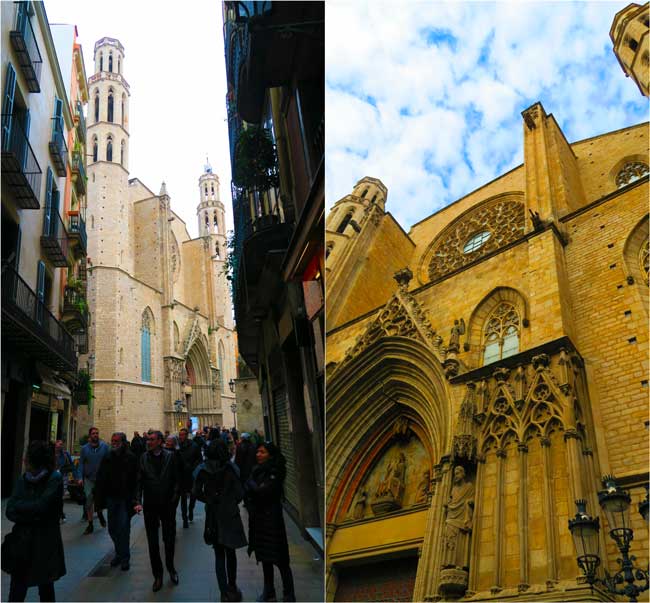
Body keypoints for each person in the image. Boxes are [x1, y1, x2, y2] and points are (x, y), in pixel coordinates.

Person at [3, 441, 66, 602]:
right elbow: (10, 510)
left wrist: (22, 509)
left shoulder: (54, 479)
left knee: (45, 588)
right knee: (17, 590)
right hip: (22, 543)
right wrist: (34, 513)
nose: (24, 460)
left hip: (44, 542)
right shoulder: (23, 479)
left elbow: (43, 506)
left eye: (27, 457)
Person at [193, 439, 247, 602]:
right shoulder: (231, 468)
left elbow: (195, 492)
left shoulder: (202, 469)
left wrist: (209, 500)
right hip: (229, 514)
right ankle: (232, 586)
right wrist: (229, 502)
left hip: (213, 515)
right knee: (231, 553)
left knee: (219, 554)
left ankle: (223, 592)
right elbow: (240, 493)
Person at [244, 442, 296, 602]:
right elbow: (251, 491)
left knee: (280, 559)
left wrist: (251, 484)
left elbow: (263, 491)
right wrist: (253, 487)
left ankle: (289, 593)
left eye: (262, 452)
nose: (258, 454)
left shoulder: (275, 471)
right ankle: (269, 591)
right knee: (265, 558)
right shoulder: (257, 470)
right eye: (257, 452)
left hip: (272, 520)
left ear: (270, 455)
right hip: (259, 520)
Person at [135, 430, 180, 592]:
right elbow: (139, 481)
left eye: (152, 440)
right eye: (148, 440)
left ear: (160, 441)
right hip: (151, 506)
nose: (149, 442)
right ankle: (158, 575)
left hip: (168, 505)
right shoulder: (143, 458)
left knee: (169, 539)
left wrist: (175, 499)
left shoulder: (171, 456)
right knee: (152, 542)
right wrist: (138, 501)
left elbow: (177, 479)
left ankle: (171, 568)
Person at [94, 432, 138, 571]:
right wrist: (99, 499)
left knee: (124, 529)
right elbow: (101, 478)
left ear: (123, 442)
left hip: (125, 500)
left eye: (116, 441)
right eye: (112, 440)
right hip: (111, 498)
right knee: (112, 528)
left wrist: (136, 499)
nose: (113, 443)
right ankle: (119, 553)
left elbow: (136, 481)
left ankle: (125, 558)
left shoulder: (131, 458)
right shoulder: (107, 457)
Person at [78, 426, 110, 535]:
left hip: (101, 480)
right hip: (88, 479)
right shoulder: (84, 449)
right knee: (88, 500)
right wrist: (79, 478)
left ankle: (100, 514)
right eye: (93, 433)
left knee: (99, 500)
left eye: (97, 433)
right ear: (90, 435)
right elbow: (81, 464)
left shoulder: (105, 447)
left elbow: (109, 461)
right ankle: (90, 524)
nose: (95, 435)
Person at [178, 428, 202, 528]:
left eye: (182, 435)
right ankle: (184, 518)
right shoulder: (177, 446)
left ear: (187, 435)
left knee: (193, 495)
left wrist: (192, 467)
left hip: (191, 475)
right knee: (183, 498)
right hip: (182, 475)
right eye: (180, 435)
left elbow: (199, 459)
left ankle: (191, 509)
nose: (181, 437)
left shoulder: (194, 446)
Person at [54, 440, 74, 523]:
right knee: (55, 496)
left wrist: (76, 477)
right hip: (53, 477)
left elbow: (72, 465)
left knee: (60, 497)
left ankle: (60, 514)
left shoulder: (65, 454)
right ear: (55, 444)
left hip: (63, 477)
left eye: (62, 444)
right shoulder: (50, 454)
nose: (61, 446)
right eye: (59, 444)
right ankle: (59, 514)